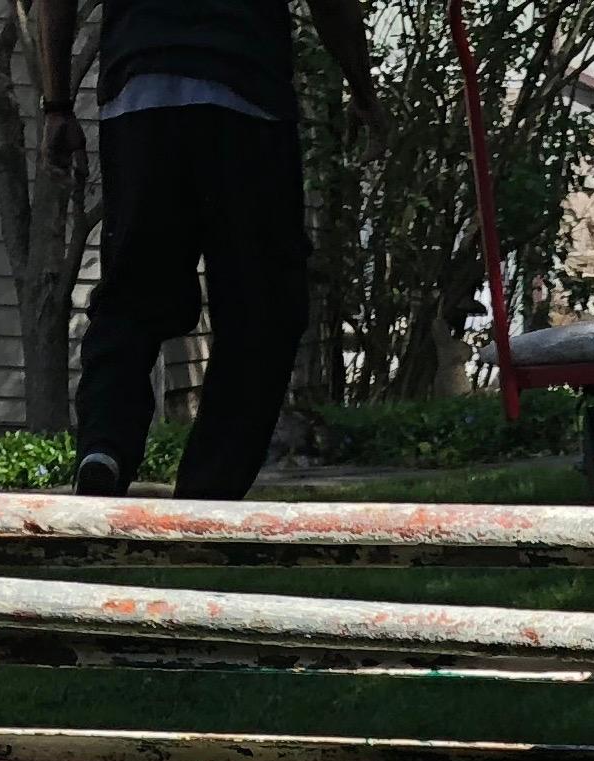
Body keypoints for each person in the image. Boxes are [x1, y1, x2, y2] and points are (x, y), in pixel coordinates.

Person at [74, 0, 375, 504]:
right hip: (245, 94)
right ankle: (209, 489)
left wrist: (57, 104)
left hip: (138, 95)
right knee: (263, 306)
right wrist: (364, 92)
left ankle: (104, 447)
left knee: (131, 293)